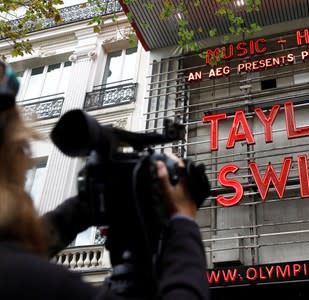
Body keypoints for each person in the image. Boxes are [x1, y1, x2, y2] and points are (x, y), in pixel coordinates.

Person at [0, 60, 210, 300]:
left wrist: (84, 205)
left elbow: (19, 250)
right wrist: (183, 221)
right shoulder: (48, 285)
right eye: (24, 147)